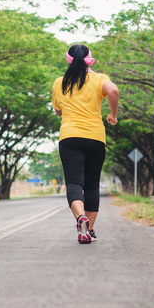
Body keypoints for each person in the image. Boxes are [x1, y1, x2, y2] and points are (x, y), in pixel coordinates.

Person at [52, 44, 119, 244]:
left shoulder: (59, 82)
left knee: (74, 182)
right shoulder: (100, 78)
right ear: (89, 59)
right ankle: (88, 229)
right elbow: (113, 90)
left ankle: (80, 218)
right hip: (95, 137)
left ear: (68, 60)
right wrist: (113, 114)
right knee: (91, 185)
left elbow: (58, 111)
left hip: (69, 137)